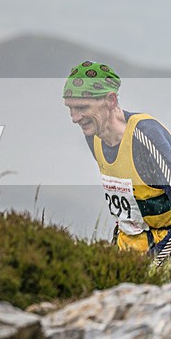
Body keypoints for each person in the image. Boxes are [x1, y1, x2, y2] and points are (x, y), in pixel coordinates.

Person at [63, 61, 171, 262]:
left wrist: (156, 261)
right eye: (70, 108)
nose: (74, 118)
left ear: (111, 100)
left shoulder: (146, 135)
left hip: (163, 251)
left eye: (82, 108)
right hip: (127, 250)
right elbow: (127, 205)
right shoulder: (94, 136)